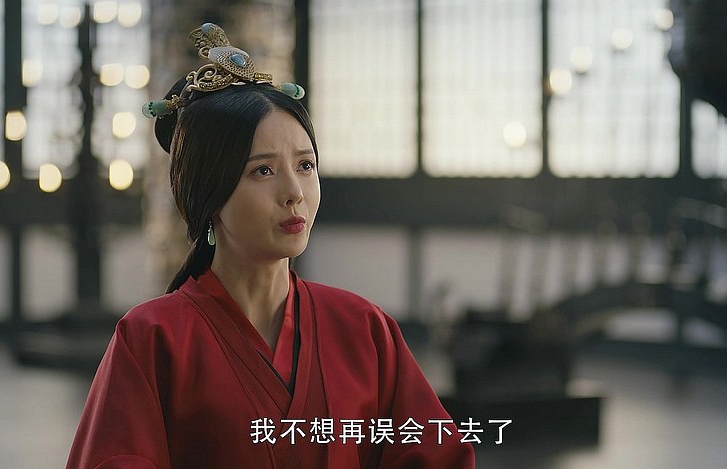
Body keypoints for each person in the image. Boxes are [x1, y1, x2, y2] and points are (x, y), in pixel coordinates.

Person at [66, 23, 475, 469]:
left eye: (305, 165)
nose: (294, 192)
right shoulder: (152, 338)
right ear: (209, 193)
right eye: (262, 171)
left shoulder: (363, 328)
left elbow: (438, 457)